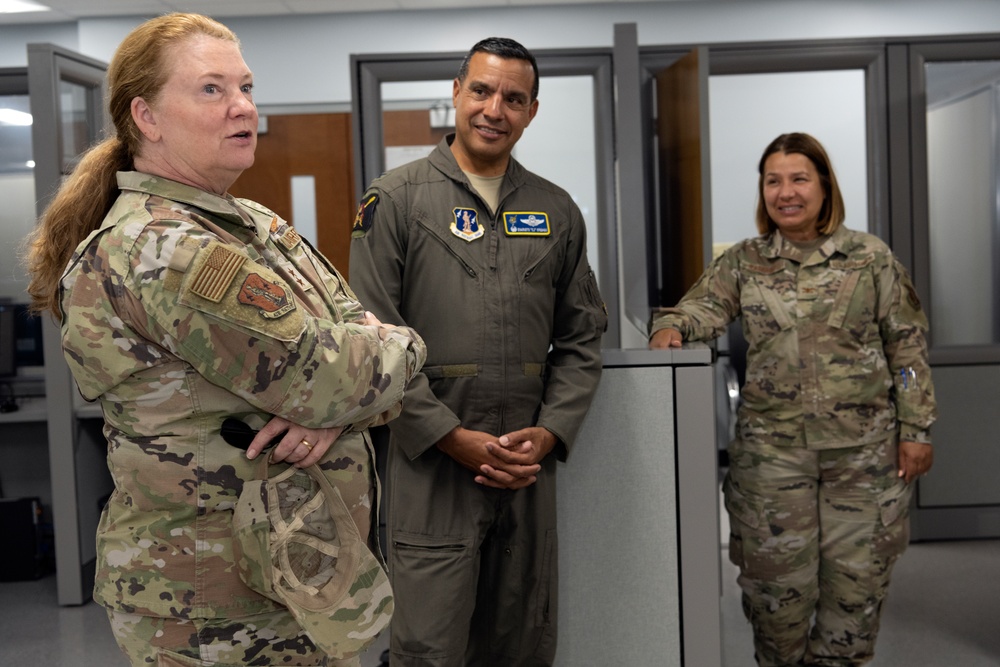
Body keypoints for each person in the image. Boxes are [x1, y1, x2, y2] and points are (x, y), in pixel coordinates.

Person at [23, 13, 426, 667]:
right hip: (217, 603)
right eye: (212, 89)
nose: (244, 108)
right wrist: (390, 358)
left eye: (246, 87)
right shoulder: (168, 249)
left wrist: (340, 400)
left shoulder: (250, 224)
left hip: (284, 579)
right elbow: (336, 371)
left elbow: (346, 365)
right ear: (147, 117)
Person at [349, 37, 607, 667]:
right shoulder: (398, 199)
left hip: (524, 465)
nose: (496, 109)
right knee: (430, 646)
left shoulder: (556, 210)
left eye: (514, 99)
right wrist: (447, 435)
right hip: (431, 466)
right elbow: (371, 338)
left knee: (519, 641)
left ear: (532, 111)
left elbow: (581, 337)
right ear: (457, 93)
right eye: (484, 91)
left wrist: (549, 434)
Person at [649, 132, 936, 666]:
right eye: (773, 180)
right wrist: (671, 329)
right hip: (773, 461)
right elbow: (695, 311)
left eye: (799, 178)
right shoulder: (745, 262)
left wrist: (917, 430)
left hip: (864, 460)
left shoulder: (871, 258)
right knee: (775, 601)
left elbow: (908, 348)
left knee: (854, 597)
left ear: (824, 186)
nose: (786, 192)